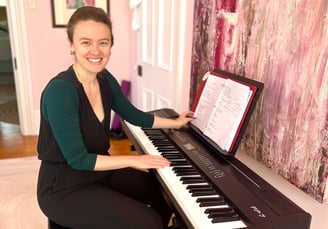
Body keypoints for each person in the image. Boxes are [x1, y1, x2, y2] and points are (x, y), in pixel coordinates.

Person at [36, 6, 193, 229]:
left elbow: (133, 115)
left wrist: (175, 122)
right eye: (85, 42)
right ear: (71, 45)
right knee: (147, 221)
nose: (96, 51)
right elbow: (79, 159)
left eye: (103, 42)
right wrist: (133, 160)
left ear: (111, 45)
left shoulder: (104, 78)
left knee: (167, 192)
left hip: (99, 172)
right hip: (64, 187)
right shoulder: (60, 92)